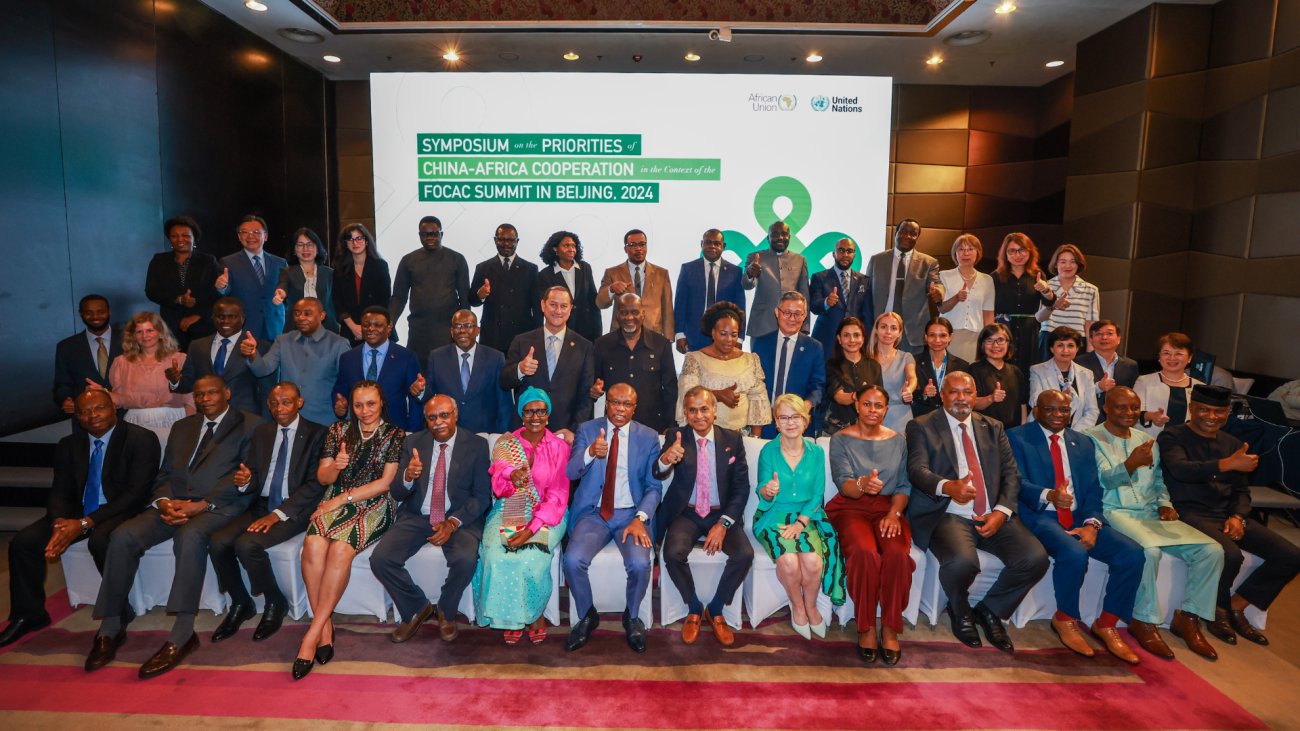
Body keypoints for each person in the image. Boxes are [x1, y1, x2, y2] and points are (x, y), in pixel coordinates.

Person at [85, 375, 262, 678]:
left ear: (227, 393)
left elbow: (245, 477)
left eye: (211, 393)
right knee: (123, 535)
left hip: (220, 506)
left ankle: (182, 633)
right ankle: (111, 626)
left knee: (190, 535)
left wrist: (201, 505)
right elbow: (164, 474)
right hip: (173, 504)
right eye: (199, 394)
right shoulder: (182, 426)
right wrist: (164, 502)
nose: (204, 399)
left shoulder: (251, 425)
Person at [0, 391, 160, 648]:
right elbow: (60, 491)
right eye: (84, 412)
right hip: (77, 510)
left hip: (121, 509)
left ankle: (118, 613)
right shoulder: (69, 444)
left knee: (101, 540)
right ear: (77, 416)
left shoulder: (141, 439)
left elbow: (136, 493)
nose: (92, 416)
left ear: (113, 408)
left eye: (99, 408)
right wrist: (60, 523)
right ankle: (28, 615)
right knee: (23, 542)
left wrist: (85, 523)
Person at [904, 371, 1049, 652]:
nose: (961, 398)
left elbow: (1011, 475)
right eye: (954, 392)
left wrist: (1001, 512)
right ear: (943, 396)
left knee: (1035, 559)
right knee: (962, 562)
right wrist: (948, 487)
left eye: (967, 392)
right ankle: (961, 612)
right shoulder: (921, 425)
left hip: (992, 512)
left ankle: (991, 610)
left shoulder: (993, 426)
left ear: (975, 396)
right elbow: (916, 471)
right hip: (947, 512)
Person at [1083, 386, 1224, 660]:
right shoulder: (1090, 439)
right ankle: (1142, 620)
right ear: (1106, 409)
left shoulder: (1147, 438)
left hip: (1149, 513)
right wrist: (1131, 464)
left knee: (1212, 551)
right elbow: (1099, 481)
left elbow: (1159, 481)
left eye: (1134, 408)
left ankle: (1189, 618)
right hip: (1114, 511)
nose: (1129, 413)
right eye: (1121, 407)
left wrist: (1164, 505)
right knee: (1149, 551)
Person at [1007, 390, 1145, 663]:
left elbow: (1093, 490)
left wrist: (1092, 524)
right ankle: (1065, 619)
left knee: (1133, 553)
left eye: (1064, 411)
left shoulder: (1082, 442)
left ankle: (1106, 623)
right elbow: (1016, 482)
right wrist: (1050, 495)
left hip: (1080, 516)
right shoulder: (1017, 437)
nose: (1058, 415)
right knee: (1074, 553)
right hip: (1040, 516)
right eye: (1050, 409)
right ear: (1036, 410)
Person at [1159, 384, 1300, 649]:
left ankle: (1236, 606)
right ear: (1192, 409)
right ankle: (1217, 611)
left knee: (1291, 556)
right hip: (1188, 512)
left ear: (1226, 413)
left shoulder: (1233, 443)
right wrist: (1228, 464)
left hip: (1226, 515)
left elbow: (1241, 491)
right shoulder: (1172, 436)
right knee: (1230, 553)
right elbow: (1181, 471)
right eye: (1204, 409)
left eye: (1219, 411)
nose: (1212, 416)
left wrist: (1237, 516)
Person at [294, 380, 404, 680]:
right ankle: (325, 626)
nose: (365, 411)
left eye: (371, 403)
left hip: (374, 504)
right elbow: (323, 477)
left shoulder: (394, 434)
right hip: (334, 499)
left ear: (381, 402)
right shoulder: (337, 431)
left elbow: (385, 483)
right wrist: (337, 467)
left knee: (341, 548)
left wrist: (344, 498)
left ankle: (310, 635)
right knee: (314, 545)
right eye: (358, 405)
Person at [206, 383, 329, 643]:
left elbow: (315, 484)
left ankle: (275, 602)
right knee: (217, 542)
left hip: (296, 509)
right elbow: (252, 475)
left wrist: (279, 514)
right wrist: (243, 481)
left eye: (286, 402)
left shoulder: (318, 433)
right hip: (262, 504)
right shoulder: (262, 432)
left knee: (247, 544)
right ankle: (241, 602)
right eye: (274, 403)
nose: (280, 407)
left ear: (300, 403)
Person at [372, 395, 491, 645]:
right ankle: (417, 608)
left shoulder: (477, 444)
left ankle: (446, 611)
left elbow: (482, 497)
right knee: (381, 559)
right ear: (426, 420)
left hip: (459, 518)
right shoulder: (413, 442)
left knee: (466, 558)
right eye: (432, 417)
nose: (439, 422)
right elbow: (398, 492)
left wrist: (453, 522)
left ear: (456, 415)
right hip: (418, 515)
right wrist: (407, 476)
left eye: (444, 415)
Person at [564, 384, 663, 653]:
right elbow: (571, 472)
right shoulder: (587, 430)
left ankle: (631, 616)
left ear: (634, 407)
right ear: (606, 403)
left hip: (631, 514)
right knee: (572, 560)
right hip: (594, 513)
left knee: (640, 564)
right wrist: (590, 452)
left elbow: (654, 487)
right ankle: (587, 615)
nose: (620, 408)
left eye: (627, 404)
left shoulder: (649, 436)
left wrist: (640, 518)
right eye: (615, 402)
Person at [654, 387, 752, 645]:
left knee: (744, 554)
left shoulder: (732, 439)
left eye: (704, 408)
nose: (699, 415)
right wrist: (666, 458)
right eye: (693, 410)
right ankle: (695, 607)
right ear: (686, 413)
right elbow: (657, 471)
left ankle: (716, 608)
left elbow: (742, 488)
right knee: (672, 553)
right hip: (685, 513)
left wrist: (724, 523)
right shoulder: (675, 437)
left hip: (722, 513)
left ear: (715, 410)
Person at [474, 388, 571, 643]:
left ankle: (534, 614)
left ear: (548, 415)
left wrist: (531, 529)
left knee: (529, 558)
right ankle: (512, 618)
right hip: (510, 506)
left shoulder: (560, 447)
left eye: (541, 411)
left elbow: (558, 494)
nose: (535, 416)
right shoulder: (506, 443)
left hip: (549, 512)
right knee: (496, 553)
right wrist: (510, 475)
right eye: (529, 411)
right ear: (522, 415)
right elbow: (499, 478)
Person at [827, 385, 913, 664]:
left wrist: (895, 514)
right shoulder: (840, 439)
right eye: (867, 404)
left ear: (886, 409)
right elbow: (845, 485)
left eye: (878, 405)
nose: (872, 410)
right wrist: (864, 484)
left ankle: (889, 627)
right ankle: (865, 626)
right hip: (852, 507)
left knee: (898, 555)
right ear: (857, 406)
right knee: (864, 553)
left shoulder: (899, 441)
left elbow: (903, 485)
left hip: (888, 509)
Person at [754, 394, 847, 639]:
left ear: (805, 421)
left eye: (795, 417)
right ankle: (797, 606)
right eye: (783, 417)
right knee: (788, 562)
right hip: (773, 515)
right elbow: (763, 492)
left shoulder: (816, 452)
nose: (790, 422)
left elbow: (818, 496)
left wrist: (799, 523)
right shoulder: (768, 451)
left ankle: (811, 605)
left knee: (814, 562)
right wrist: (768, 490)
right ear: (776, 422)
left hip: (808, 515)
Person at [500, 286, 595, 439]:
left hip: (564, 433)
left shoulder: (584, 347)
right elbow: (504, 382)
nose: (558, 310)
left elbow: (585, 397)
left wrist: (576, 431)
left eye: (563, 306)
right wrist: (520, 370)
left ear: (570, 309)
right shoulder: (521, 341)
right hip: (526, 431)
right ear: (543, 305)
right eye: (553, 304)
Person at [243, 298, 350, 427]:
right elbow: (263, 370)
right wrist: (252, 354)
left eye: (307, 313)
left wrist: (343, 405)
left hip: (325, 420)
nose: (301, 318)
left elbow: (347, 383)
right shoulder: (283, 340)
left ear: (322, 316)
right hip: (290, 420)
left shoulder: (338, 343)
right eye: (297, 313)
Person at [93, 312, 194, 447]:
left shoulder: (180, 359)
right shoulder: (121, 362)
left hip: (173, 422)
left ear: (160, 332)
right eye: (139, 332)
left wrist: (190, 427)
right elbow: (121, 400)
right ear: (133, 336)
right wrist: (103, 393)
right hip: (136, 424)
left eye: (149, 330)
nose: (145, 336)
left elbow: (190, 398)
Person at [410, 310, 512, 435]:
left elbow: (504, 405)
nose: (462, 330)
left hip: (484, 434)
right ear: (452, 332)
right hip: (448, 434)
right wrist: (420, 391)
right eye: (458, 326)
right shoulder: (437, 357)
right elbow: (429, 391)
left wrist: (503, 439)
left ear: (477, 330)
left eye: (468, 326)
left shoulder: (495, 358)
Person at [676, 302, 772, 435]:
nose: (729, 339)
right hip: (705, 437)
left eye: (734, 335)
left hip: (741, 437)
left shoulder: (750, 360)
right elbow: (687, 397)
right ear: (713, 332)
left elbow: (758, 403)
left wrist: (755, 439)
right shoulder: (695, 359)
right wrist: (718, 395)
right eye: (723, 333)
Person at [389, 215, 471, 370]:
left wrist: (465, 330)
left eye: (434, 233)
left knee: (449, 377)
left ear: (441, 234)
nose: (430, 237)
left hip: (448, 331)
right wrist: (389, 322)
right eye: (425, 234)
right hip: (419, 331)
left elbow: (464, 298)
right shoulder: (408, 260)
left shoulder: (457, 259)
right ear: (419, 235)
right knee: (419, 379)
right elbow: (399, 297)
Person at [590, 293, 678, 433]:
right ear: (617, 315)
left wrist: (671, 426)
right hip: (615, 425)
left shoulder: (661, 345)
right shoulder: (602, 345)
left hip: (652, 425)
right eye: (624, 312)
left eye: (635, 312)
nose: (629, 317)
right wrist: (594, 390)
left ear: (643, 314)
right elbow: (594, 382)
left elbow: (670, 389)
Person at [169, 297, 271, 419]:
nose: (225, 321)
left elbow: (267, 390)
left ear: (242, 319)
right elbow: (189, 384)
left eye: (232, 316)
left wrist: (266, 423)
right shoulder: (197, 346)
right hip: (207, 417)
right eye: (220, 316)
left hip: (245, 419)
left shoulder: (259, 346)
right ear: (214, 318)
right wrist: (175, 381)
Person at [332, 306, 423, 433]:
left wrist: (412, 433)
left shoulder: (406, 357)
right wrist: (339, 404)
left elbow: (416, 401)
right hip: (358, 432)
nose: (371, 329)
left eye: (377, 325)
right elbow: (340, 390)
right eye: (366, 325)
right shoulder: (348, 358)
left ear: (389, 327)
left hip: (395, 432)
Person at [755, 292, 825, 438]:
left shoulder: (814, 347)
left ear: (805, 315)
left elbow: (818, 384)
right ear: (777, 312)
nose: (792, 319)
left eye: (797, 314)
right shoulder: (761, 343)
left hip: (797, 422)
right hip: (765, 421)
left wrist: (808, 404)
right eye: (787, 313)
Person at [868, 219, 944, 354]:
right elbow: (866, 292)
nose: (907, 236)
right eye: (903, 232)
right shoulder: (877, 260)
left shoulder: (928, 262)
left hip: (912, 333)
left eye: (913, 233)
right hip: (881, 330)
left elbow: (936, 284)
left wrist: (938, 293)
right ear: (895, 234)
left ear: (917, 238)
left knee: (911, 374)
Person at [145, 216, 219, 350]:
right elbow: (151, 291)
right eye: (174, 236)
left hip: (202, 326)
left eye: (185, 235)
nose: (180, 239)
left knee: (202, 367)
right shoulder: (159, 260)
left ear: (194, 238)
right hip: (171, 327)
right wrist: (179, 299)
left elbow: (217, 293)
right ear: (170, 239)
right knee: (175, 367)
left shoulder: (208, 261)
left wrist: (198, 316)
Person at [469, 223, 541, 354]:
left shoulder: (530, 269)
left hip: (521, 333)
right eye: (501, 239)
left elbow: (537, 306)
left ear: (517, 241)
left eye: (511, 240)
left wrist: (539, 335)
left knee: (519, 373)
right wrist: (480, 295)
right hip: (493, 334)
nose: (506, 243)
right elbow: (472, 301)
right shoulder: (483, 267)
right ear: (495, 240)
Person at [214, 215, 288, 342]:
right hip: (246, 327)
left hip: (276, 327)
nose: (250, 236)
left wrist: (284, 295)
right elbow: (225, 292)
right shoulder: (228, 262)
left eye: (256, 232)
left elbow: (287, 291)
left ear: (265, 236)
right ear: (239, 236)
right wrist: (222, 287)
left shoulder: (280, 262)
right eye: (245, 232)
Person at [673, 229, 747, 354]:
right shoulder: (688, 269)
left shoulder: (735, 272)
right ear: (702, 244)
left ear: (723, 246)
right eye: (708, 242)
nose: (712, 246)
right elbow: (680, 305)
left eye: (716, 243)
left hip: (725, 336)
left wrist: (739, 339)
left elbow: (740, 308)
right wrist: (680, 335)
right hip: (694, 336)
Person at [992, 233, 1056, 375]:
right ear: (1006, 254)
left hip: (1029, 328)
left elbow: (1050, 301)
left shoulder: (1037, 275)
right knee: (1002, 369)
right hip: (1003, 329)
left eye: (1022, 250)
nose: (1018, 255)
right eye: (1012, 251)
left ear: (1030, 252)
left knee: (1027, 370)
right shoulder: (995, 277)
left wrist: (1046, 289)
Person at [596, 229, 675, 341]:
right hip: (621, 335)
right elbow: (600, 303)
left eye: (642, 244)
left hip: (653, 334)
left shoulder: (661, 273)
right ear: (625, 249)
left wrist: (669, 338)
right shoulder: (612, 273)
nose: (638, 249)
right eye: (633, 245)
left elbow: (667, 309)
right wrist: (611, 289)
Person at [53, 295, 123, 417]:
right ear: (80, 314)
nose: (95, 317)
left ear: (109, 312)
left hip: (126, 414)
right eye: (88, 313)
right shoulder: (66, 347)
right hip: (88, 418)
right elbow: (62, 383)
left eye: (101, 312)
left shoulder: (130, 340)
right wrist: (65, 400)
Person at [742, 221, 810, 339]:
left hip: (792, 325)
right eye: (774, 234)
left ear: (789, 237)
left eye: (784, 234)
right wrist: (749, 273)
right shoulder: (755, 257)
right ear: (768, 238)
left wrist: (805, 327)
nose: (780, 237)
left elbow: (805, 295)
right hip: (762, 324)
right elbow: (747, 285)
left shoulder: (800, 259)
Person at [810, 237, 874, 357]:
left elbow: (868, 315)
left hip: (853, 343)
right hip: (826, 341)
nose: (845, 254)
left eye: (849, 251)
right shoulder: (819, 277)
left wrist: (866, 341)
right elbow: (813, 306)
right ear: (834, 254)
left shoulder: (864, 280)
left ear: (854, 255)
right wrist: (826, 302)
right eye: (841, 250)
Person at [1035, 244, 1099, 362]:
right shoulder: (1045, 286)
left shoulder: (1091, 290)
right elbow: (1039, 318)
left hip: (1078, 342)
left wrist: (1090, 350)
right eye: (1063, 262)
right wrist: (1053, 305)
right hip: (1049, 340)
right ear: (1055, 264)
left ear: (1079, 264)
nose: (1068, 266)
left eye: (1073, 262)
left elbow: (1090, 323)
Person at [332, 223, 391, 348]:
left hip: (376, 328)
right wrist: (353, 326)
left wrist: (368, 327)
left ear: (366, 241)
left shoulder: (380, 266)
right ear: (345, 243)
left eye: (359, 238)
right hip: (350, 330)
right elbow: (337, 301)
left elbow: (385, 299)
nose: (355, 243)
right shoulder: (340, 268)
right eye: (350, 239)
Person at [535, 230, 601, 344]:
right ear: (555, 249)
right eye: (566, 246)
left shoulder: (585, 268)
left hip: (587, 330)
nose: (571, 249)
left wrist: (598, 331)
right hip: (560, 330)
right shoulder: (545, 275)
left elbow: (593, 300)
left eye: (573, 246)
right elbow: (545, 306)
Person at [936, 234, 994, 362]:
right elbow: (942, 308)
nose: (966, 253)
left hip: (976, 336)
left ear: (978, 252)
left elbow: (988, 313)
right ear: (955, 254)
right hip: (949, 335)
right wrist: (956, 298)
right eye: (961, 249)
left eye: (970, 249)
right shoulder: (944, 276)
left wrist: (990, 338)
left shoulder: (987, 280)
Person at [1029, 326, 1099, 430]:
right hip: (1043, 429)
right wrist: (1058, 399)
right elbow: (1034, 401)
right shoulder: (1038, 370)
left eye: (1070, 346)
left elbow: (1092, 410)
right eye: (1060, 345)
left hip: (1077, 432)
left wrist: (1074, 434)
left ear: (1077, 349)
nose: (1065, 350)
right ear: (1052, 348)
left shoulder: (1087, 374)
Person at [1134, 333, 1203, 438]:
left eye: (1179, 353)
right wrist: (1150, 416)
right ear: (1159, 357)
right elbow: (1132, 413)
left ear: (1189, 358)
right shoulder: (1144, 381)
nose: (1172, 358)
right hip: (1150, 445)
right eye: (1166, 353)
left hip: (1186, 446)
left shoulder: (1199, 387)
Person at [823, 317, 883, 434]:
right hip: (836, 430)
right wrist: (857, 395)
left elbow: (879, 400)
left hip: (867, 430)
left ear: (863, 338)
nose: (852, 340)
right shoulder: (831, 365)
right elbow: (839, 397)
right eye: (846, 335)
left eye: (856, 335)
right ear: (839, 339)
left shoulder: (874, 366)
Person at [274, 227, 338, 334]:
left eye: (310, 244)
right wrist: (280, 294)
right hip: (296, 328)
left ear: (317, 248)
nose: (305, 249)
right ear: (294, 249)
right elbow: (282, 286)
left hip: (327, 328)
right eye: (300, 245)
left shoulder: (329, 273)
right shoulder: (287, 272)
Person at [969, 323, 1029, 428]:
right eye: (990, 340)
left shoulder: (1016, 371)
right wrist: (991, 398)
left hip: (1013, 432)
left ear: (1008, 343)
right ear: (982, 344)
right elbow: (971, 403)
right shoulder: (973, 370)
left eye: (1000, 340)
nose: (995, 345)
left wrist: (1022, 429)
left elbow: (1022, 404)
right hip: (985, 431)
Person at [868, 312, 917, 435]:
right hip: (871, 416)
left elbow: (912, 377)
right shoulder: (865, 358)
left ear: (900, 332)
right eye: (884, 327)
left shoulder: (906, 357)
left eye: (894, 328)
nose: (888, 331)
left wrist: (909, 390)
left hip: (901, 417)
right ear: (877, 329)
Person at [911, 318, 969, 420]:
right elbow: (910, 392)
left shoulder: (962, 365)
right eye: (932, 335)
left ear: (950, 337)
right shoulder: (913, 362)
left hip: (952, 418)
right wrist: (924, 394)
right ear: (925, 336)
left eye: (943, 335)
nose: (937, 340)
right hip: (922, 419)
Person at [1075, 320, 1138, 410]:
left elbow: (1133, 396)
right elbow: (1074, 393)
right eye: (1099, 334)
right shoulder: (1078, 363)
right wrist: (1097, 388)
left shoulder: (1130, 365)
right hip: (1087, 418)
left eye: (1109, 333)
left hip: (1118, 419)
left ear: (1119, 339)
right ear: (1090, 339)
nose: (1104, 337)